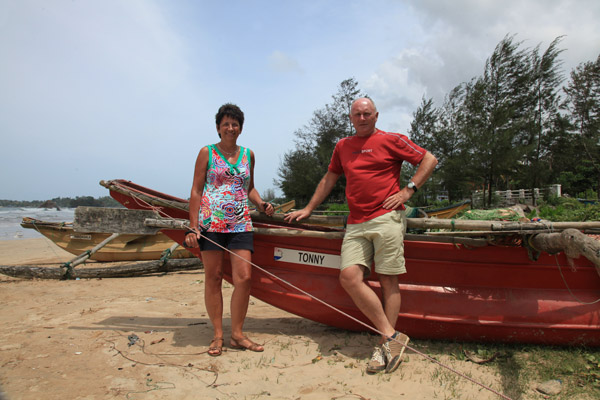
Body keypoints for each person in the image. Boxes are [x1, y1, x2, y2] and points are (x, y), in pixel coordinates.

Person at [285, 97, 438, 374]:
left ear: (376, 116)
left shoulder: (392, 140)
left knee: (388, 280)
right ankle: (393, 336)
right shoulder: (343, 146)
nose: (362, 118)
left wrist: (408, 190)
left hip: (386, 218)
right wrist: (308, 208)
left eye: (367, 113)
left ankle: (384, 347)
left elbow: (429, 159)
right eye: (357, 114)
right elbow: (329, 178)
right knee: (349, 277)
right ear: (351, 118)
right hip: (356, 222)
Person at [185, 103, 274, 357]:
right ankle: (217, 335)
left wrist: (261, 203)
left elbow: (250, 188)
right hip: (211, 223)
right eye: (226, 124)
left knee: (244, 278)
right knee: (213, 277)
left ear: (241, 128)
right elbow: (196, 190)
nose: (230, 128)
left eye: (235, 124)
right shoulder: (207, 152)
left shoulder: (249, 154)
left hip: (240, 223)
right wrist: (193, 226)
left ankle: (237, 334)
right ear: (218, 128)